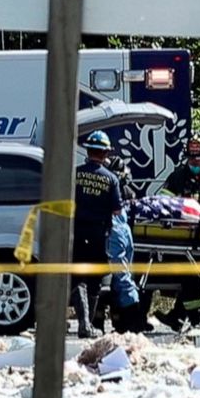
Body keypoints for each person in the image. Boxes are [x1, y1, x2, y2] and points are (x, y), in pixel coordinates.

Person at [154, 136, 200, 331]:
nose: (194, 164)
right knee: (190, 279)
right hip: (183, 239)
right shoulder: (178, 177)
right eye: (191, 160)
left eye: (198, 161)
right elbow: (163, 203)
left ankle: (181, 317)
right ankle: (194, 318)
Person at [72, 130, 122, 338]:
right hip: (98, 234)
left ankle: (84, 322)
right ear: (104, 154)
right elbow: (117, 210)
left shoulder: (74, 173)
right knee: (94, 281)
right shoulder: (111, 179)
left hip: (75, 231)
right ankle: (88, 325)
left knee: (76, 277)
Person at [103, 156, 151, 333]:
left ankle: (132, 321)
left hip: (116, 233)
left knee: (120, 279)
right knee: (123, 278)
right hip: (125, 234)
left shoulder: (112, 190)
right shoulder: (128, 191)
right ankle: (125, 321)